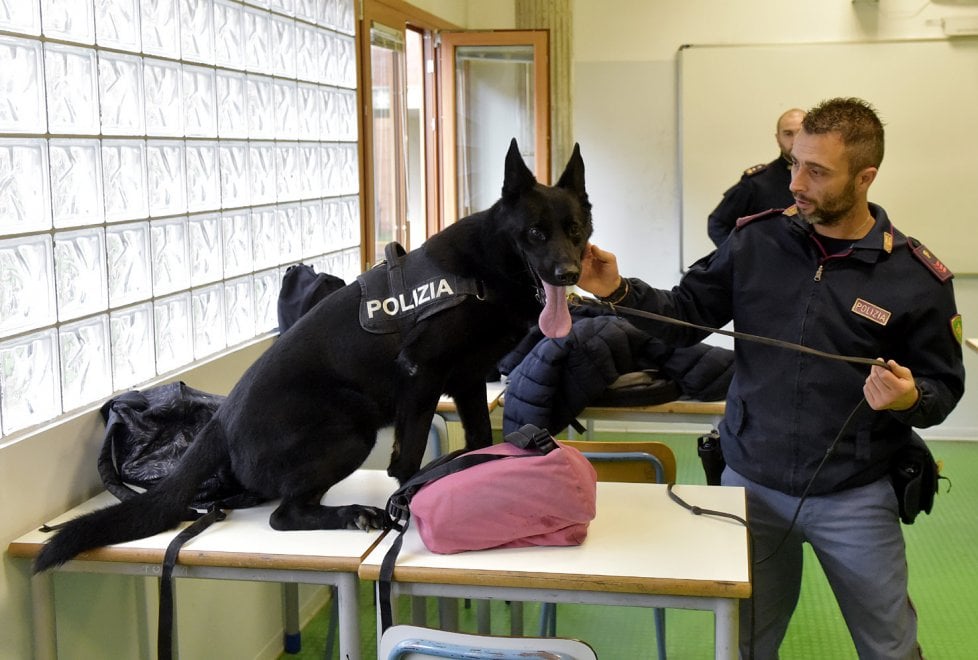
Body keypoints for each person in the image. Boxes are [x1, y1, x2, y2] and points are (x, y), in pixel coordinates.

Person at [579, 97, 964, 659]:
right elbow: (684, 315)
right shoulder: (756, 240)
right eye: (794, 164)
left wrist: (909, 398)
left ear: (866, 178)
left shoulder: (915, 277)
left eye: (817, 171)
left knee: (891, 649)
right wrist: (617, 290)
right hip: (751, 482)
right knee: (747, 643)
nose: (796, 183)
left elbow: (944, 389)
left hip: (854, 495)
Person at [706, 107, 806, 247]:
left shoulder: (826, 178)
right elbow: (718, 224)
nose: (795, 140)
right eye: (788, 133)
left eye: (801, 132)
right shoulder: (757, 182)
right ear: (778, 139)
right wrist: (745, 259)